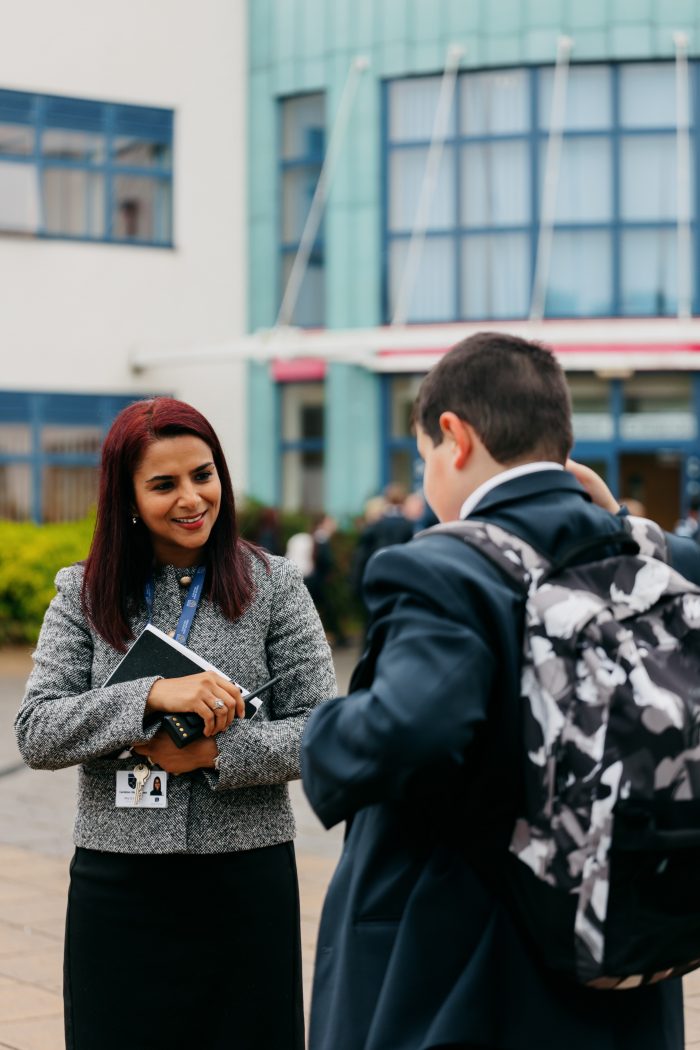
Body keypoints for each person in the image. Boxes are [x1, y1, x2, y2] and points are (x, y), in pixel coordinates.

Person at [300, 332, 700, 1050]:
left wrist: (321, 732)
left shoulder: (446, 569)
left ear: (454, 436)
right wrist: (634, 529)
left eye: (424, 454)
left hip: (478, 968)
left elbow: (409, 729)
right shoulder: (653, 556)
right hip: (627, 944)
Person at [15, 397, 336, 1050]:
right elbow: (37, 731)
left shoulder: (274, 586)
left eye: (204, 473)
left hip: (246, 877)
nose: (193, 498)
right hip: (120, 882)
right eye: (164, 484)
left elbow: (324, 728)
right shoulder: (81, 594)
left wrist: (220, 755)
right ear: (128, 498)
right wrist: (151, 694)